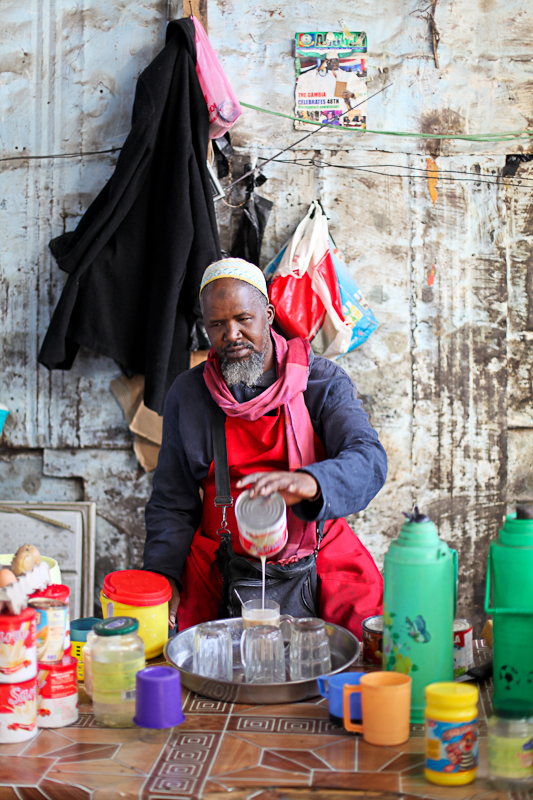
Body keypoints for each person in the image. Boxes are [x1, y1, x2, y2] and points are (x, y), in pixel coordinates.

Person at [143, 258, 387, 638]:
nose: (232, 335)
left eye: (244, 319)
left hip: (318, 555)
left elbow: (369, 460)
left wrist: (311, 482)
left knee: (363, 662)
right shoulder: (189, 395)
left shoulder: (320, 381)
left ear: (269, 315)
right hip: (218, 568)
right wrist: (163, 575)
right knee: (200, 664)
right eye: (217, 325)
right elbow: (171, 501)